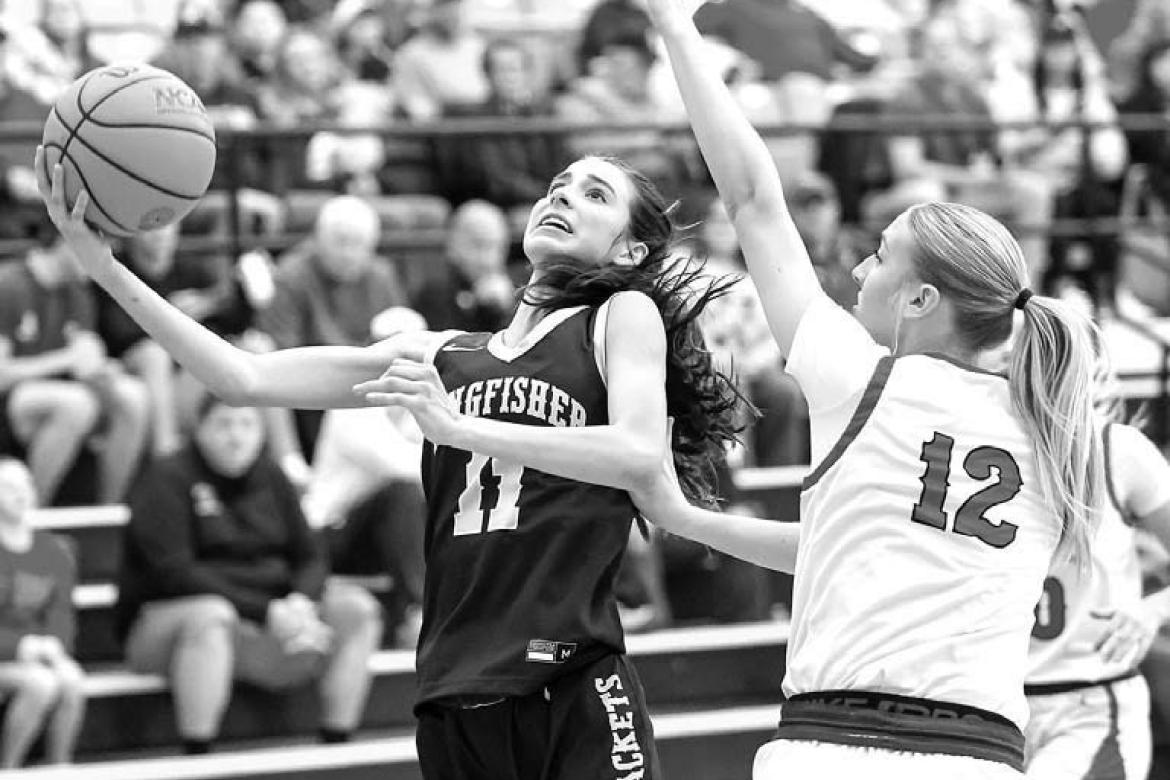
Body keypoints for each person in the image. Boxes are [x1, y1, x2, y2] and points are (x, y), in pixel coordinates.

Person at [36, 130, 743, 777]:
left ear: (629, 253)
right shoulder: (440, 355)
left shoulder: (618, 317)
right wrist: (104, 268)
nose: (563, 196)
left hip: (573, 675)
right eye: (559, 185)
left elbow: (636, 452)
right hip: (456, 684)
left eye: (595, 195)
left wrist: (464, 429)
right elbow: (242, 379)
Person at [641, 0, 1106, 777]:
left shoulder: (863, 378)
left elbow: (752, 199)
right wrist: (686, 518)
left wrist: (675, 26)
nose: (860, 267)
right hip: (981, 755)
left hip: (839, 739)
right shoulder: (1052, 427)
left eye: (881, 255)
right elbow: (854, 547)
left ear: (920, 299)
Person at [115, 394, 382, 755]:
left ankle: (337, 745)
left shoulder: (271, 475)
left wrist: (301, 601)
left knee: (358, 609)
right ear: (200, 429)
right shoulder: (166, 477)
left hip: (268, 616)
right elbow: (175, 574)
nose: (236, 437)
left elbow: (311, 556)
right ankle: (197, 753)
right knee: (211, 615)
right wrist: (266, 611)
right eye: (224, 424)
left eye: (247, 425)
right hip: (167, 625)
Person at [1023, 386, 1170, 779]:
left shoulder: (1117, 449)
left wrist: (1154, 610)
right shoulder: (976, 442)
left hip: (1089, 701)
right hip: (990, 705)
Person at [0, 231, 150, 505]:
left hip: (64, 390)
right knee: (77, 404)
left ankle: (108, 511)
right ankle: (32, 512)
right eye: (98, 247)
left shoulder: (79, 293)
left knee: (134, 396)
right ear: (66, 239)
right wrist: (66, 359)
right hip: (13, 401)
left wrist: (103, 371)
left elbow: (83, 361)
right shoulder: (8, 283)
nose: (102, 258)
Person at [0, 456, 85, 768]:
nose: (21, 494)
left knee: (71, 678)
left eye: (26, 485)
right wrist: (19, 647)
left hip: (35, 652)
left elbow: (62, 612)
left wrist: (55, 645)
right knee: (41, 684)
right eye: (9, 487)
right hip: (10, 654)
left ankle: (60, 765)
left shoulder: (54, 550)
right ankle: (9, 767)